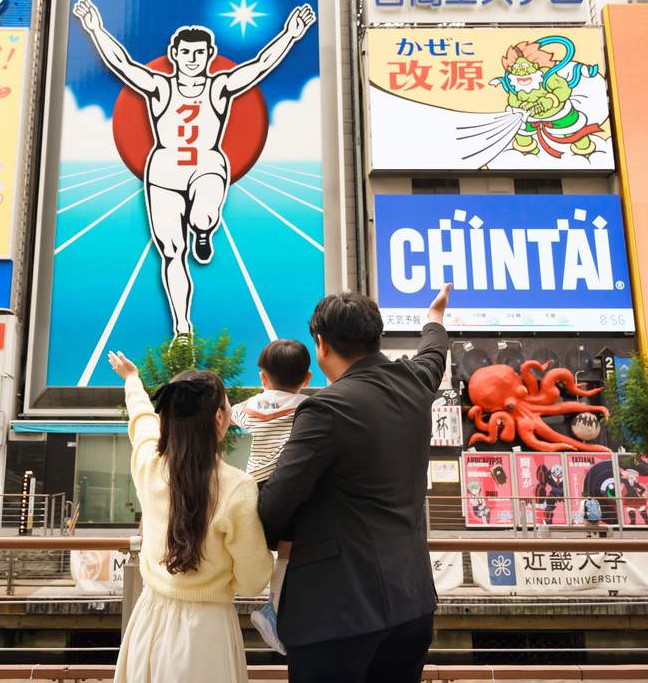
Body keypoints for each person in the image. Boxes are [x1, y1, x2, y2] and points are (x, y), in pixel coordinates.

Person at [73, 0, 315, 338]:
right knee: (172, 251)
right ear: (175, 55)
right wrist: (96, 29)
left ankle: (203, 231)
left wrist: (289, 35)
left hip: (207, 166)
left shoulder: (219, 87)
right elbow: (123, 64)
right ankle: (182, 326)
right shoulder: (160, 87)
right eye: (185, 53)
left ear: (209, 56)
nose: (191, 60)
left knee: (203, 216)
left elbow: (259, 65)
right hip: (164, 172)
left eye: (199, 54)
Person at [258, 283, 452, 683]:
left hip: (337, 613)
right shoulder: (416, 382)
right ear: (375, 336)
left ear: (321, 344)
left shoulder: (327, 408)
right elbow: (433, 355)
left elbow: (275, 505)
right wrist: (434, 320)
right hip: (412, 603)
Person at [107, 352, 274, 683]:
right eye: (227, 407)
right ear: (217, 418)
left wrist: (131, 380)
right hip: (208, 632)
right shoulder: (237, 487)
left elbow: (142, 421)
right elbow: (254, 579)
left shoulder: (149, 465)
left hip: (149, 619)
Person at [229, 338, 314, 655]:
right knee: (287, 552)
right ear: (306, 379)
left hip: (253, 488)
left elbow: (226, 414)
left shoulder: (250, 406)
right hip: (285, 487)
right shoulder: (305, 407)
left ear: (263, 377)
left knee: (249, 541)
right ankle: (273, 611)